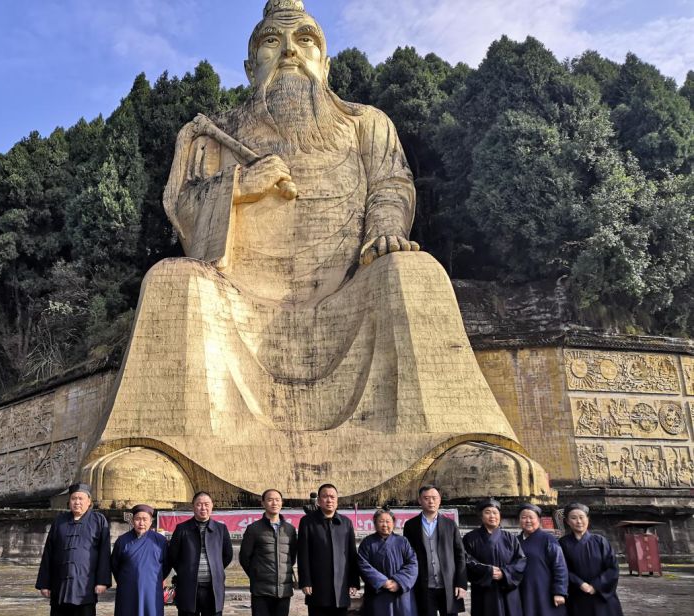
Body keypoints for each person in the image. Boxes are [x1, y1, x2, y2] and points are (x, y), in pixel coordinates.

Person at [84, 0, 553, 508]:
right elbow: (182, 211)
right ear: (250, 67)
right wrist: (240, 184)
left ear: (325, 61)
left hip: (348, 292)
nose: (289, 51)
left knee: (415, 270)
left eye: (304, 40)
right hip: (237, 302)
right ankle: (166, 453)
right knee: (171, 279)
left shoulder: (365, 123)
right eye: (271, 42)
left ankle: (452, 447)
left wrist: (384, 233)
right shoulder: (213, 135)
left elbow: (392, 186)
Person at [35, 483, 111, 616]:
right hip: (60, 588)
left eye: (81, 499)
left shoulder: (99, 521)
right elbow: (48, 553)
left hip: (85, 588)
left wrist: (102, 581)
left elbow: (104, 553)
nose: (77, 502)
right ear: (69, 501)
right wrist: (44, 583)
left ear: (89, 502)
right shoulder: (59, 521)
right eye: (74, 499)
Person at [559, 502, 637, 616]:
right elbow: (562, 569)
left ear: (588, 519)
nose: (578, 521)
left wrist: (596, 585)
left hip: (603, 600)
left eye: (582, 517)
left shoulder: (600, 541)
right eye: (574, 518)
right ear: (567, 521)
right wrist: (580, 584)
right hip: (579, 601)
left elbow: (612, 568)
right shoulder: (563, 544)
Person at [166, 491, 233, 616]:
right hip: (190, 590)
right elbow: (173, 556)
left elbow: (227, 556)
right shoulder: (182, 529)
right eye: (199, 504)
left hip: (212, 590)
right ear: (193, 506)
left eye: (206, 504)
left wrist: (214, 569)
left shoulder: (220, 529)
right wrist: (187, 573)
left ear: (212, 506)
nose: (203, 508)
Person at [402, 485, 467, 616]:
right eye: (427, 498)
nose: (431, 501)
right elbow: (409, 557)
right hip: (424, 587)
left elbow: (460, 555)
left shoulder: (449, 525)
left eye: (434, 497)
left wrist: (461, 583)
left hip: (449, 587)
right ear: (420, 500)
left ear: (440, 500)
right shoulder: (411, 526)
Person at [462, 498, 531, 616]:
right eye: (488, 512)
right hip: (485, 595)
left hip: (509, 594)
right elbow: (466, 561)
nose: (492, 516)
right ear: (480, 516)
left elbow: (521, 561)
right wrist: (488, 572)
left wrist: (505, 573)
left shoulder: (510, 538)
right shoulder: (470, 538)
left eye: (495, 513)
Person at [297, 483, 360, 616]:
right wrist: (305, 580)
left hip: (340, 590)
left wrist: (353, 581)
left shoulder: (345, 523)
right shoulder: (308, 522)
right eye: (325, 496)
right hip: (317, 588)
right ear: (319, 500)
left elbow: (351, 554)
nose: (329, 500)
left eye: (332, 496)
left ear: (337, 500)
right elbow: (303, 554)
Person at [239, 488, 298, 616]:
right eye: (270, 500)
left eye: (278, 500)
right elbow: (244, 558)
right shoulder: (254, 529)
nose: (274, 503)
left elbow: (292, 557)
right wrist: (257, 576)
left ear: (282, 503)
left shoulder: (289, 530)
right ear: (263, 503)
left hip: (284, 592)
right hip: (261, 592)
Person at [358, 509, 423, 616]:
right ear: (374, 524)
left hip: (402, 596)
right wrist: (384, 582)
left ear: (394, 523)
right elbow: (363, 565)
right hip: (378, 596)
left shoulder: (403, 542)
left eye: (388, 521)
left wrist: (398, 582)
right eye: (381, 521)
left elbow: (412, 564)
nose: (385, 525)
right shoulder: (367, 543)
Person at [111, 504, 168, 616]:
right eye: (137, 519)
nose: (141, 523)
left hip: (152, 594)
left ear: (151, 521)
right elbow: (115, 565)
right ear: (132, 521)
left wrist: (153, 580)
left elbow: (167, 564)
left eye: (145, 519)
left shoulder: (160, 541)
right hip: (128, 595)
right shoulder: (123, 541)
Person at [517, 503, 570, 616]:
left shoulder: (548, 539)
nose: (528, 521)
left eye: (531, 517)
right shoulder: (516, 541)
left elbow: (560, 566)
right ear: (519, 521)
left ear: (538, 520)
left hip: (549, 597)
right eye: (524, 517)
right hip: (528, 598)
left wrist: (559, 591)